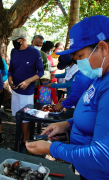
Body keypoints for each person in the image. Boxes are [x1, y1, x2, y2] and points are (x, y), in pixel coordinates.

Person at [26, 15, 109, 180]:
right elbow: (94, 115)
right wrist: (66, 124)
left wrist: (51, 149)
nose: (78, 62)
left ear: (102, 48)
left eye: (80, 56)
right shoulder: (100, 78)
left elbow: (102, 156)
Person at [8, 28, 44, 152]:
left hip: (27, 91)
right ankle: (19, 137)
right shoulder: (14, 51)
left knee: (25, 117)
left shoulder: (34, 52)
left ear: (23, 39)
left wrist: (28, 81)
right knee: (17, 115)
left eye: (15, 40)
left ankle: (25, 141)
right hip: (15, 90)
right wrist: (10, 79)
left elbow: (41, 72)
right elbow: (11, 69)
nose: (13, 43)